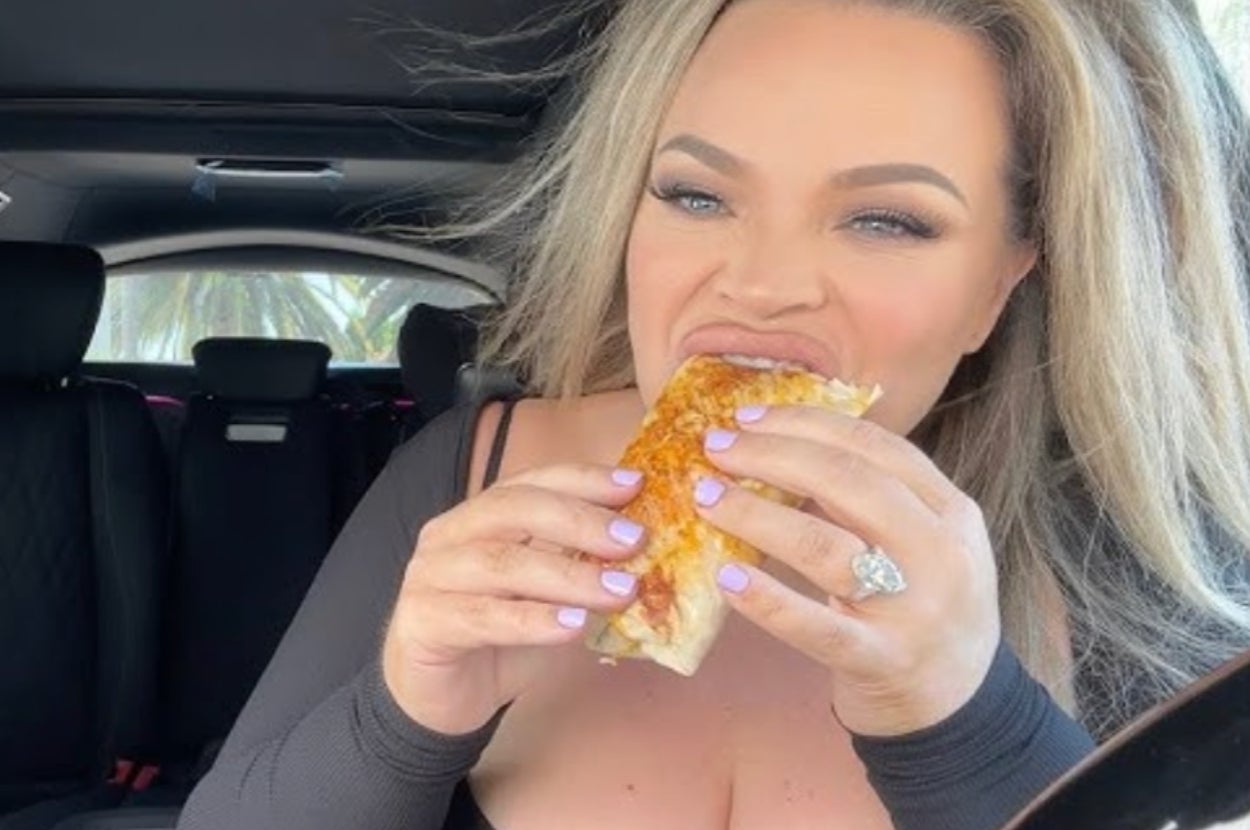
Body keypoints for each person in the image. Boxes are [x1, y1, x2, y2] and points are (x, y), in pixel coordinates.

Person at [177, 0, 1250, 828]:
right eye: (696, 195)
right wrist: (404, 712)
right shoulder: (478, 470)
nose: (760, 285)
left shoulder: (1136, 551)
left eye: (886, 219)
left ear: (1004, 278)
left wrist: (967, 722)